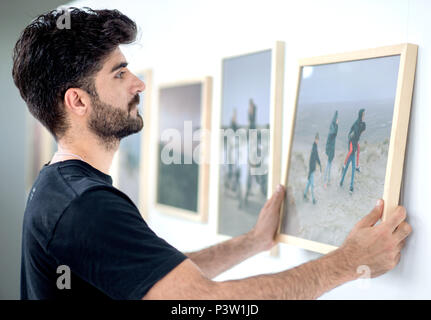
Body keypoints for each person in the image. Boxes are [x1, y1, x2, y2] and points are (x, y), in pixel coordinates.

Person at [14, 8, 411, 300]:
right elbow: (202, 303)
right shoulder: (86, 206)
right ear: (77, 101)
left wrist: (254, 242)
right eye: (119, 74)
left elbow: (156, 277)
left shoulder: (58, 187)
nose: (138, 83)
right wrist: (347, 264)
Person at [340, 109, 366, 193]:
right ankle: (342, 179)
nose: (364, 116)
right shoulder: (356, 124)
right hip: (351, 146)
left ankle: (350, 186)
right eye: (363, 115)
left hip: (354, 147)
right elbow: (351, 136)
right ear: (361, 115)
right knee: (347, 167)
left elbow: (360, 132)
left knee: (352, 169)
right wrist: (353, 139)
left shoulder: (361, 124)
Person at [304, 133, 322, 205]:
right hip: (312, 168)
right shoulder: (314, 147)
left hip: (312, 168)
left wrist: (319, 163)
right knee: (312, 184)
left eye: (318, 140)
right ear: (315, 139)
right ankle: (313, 199)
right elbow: (312, 159)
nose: (317, 141)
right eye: (317, 139)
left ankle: (305, 194)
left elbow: (316, 156)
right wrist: (311, 169)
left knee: (309, 183)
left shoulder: (315, 146)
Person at [324, 111, 338, 188]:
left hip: (331, 150)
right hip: (330, 150)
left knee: (329, 165)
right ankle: (325, 181)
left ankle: (327, 180)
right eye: (337, 119)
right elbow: (334, 133)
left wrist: (336, 125)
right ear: (335, 120)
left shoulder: (332, 126)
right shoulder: (333, 127)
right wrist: (336, 126)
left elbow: (334, 134)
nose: (338, 120)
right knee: (328, 165)